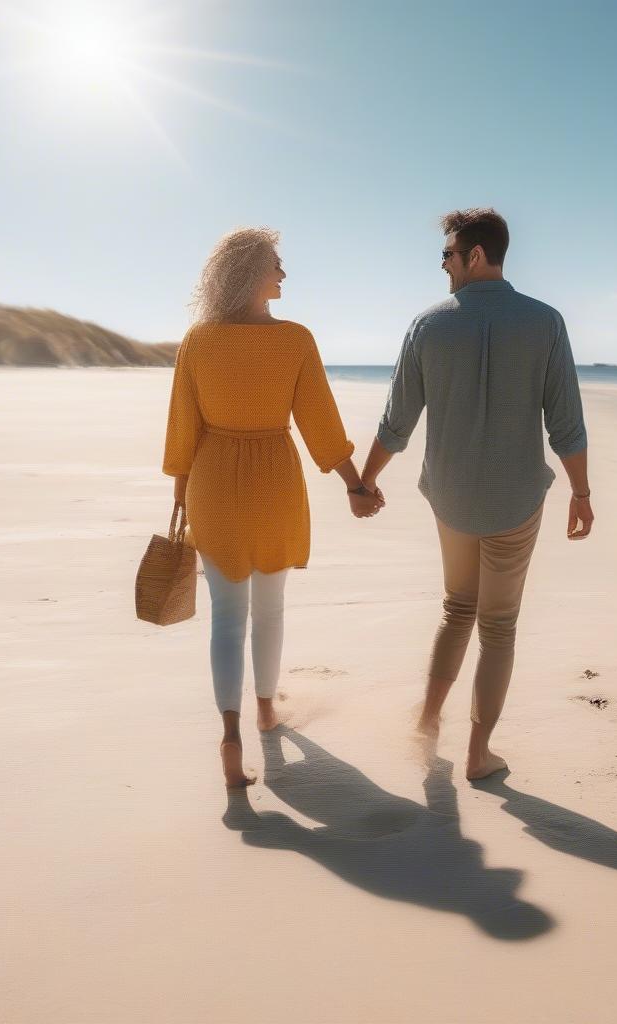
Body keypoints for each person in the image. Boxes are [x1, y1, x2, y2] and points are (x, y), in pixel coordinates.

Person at [360, 208, 592, 780]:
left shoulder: (428, 325)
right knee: (499, 624)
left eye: (447, 255)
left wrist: (366, 481)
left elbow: (397, 422)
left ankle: (429, 722)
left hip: (452, 498)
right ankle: (477, 753)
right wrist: (581, 492)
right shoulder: (545, 322)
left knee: (457, 608)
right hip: (517, 498)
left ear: (476, 255)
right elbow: (566, 421)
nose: (443, 266)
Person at [162, 227, 383, 789]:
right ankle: (265, 709)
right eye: (275, 265)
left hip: (212, 480)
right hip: (275, 481)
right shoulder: (295, 340)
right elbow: (321, 425)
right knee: (271, 609)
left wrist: (181, 491)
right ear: (249, 272)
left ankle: (231, 734)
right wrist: (355, 485)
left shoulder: (199, 340)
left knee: (227, 618)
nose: (283, 275)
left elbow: (182, 427)